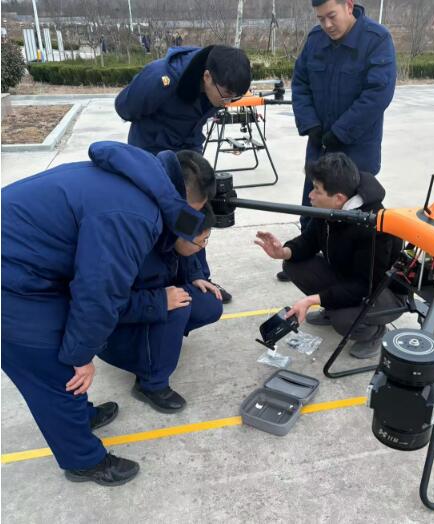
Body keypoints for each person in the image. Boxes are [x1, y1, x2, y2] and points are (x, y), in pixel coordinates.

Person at [1, 141, 216, 486]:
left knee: (62, 361)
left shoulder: (142, 180)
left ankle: (80, 416)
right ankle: (84, 461)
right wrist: (81, 356)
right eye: (191, 214)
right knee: (55, 371)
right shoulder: (133, 215)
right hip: (12, 277)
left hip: (28, 264)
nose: (190, 225)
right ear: (184, 199)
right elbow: (98, 293)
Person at [115, 44, 252, 304]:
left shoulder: (215, 88)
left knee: (195, 212)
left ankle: (197, 276)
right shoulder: (161, 78)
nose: (227, 103)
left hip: (186, 152)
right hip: (151, 156)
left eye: (234, 98)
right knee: (159, 221)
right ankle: (154, 284)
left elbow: (197, 118)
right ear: (207, 76)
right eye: (226, 96)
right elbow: (124, 107)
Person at [279, 0, 396, 281]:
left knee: (354, 216)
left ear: (349, 6)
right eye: (320, 19)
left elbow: (377, 94)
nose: (327, 25)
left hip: (357, 148)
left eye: (331, 16)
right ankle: (310, 258)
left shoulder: (376, 40)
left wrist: (341, 132)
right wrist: (310, 124)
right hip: (320, 143)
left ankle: (351, 282)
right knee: (313, 206)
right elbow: (301, 83)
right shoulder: (315, 40)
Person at [99, 153, 223, 414]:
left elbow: (188, 246)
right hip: (111, 330)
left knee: (208, 303)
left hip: (147, 300)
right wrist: (160, 301)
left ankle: (159, 343)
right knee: (177, 307)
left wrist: (196, 275)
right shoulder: (133, 231)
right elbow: (105, 302)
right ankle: (151, 383)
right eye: (201, 240)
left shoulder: (174, 215)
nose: (203, 245)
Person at [255, 153, 405, 359]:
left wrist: (313, 299)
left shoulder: (373, 226)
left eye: (317, 190)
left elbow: (363, 286)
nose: (310, 195)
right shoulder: (330, 209)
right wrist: (284, 251)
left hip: (382, 291)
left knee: (342, 319)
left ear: (339, 199)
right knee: (292, 265)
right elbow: (310, 240)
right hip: (348, 277)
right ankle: (334, 306)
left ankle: (374, 333)